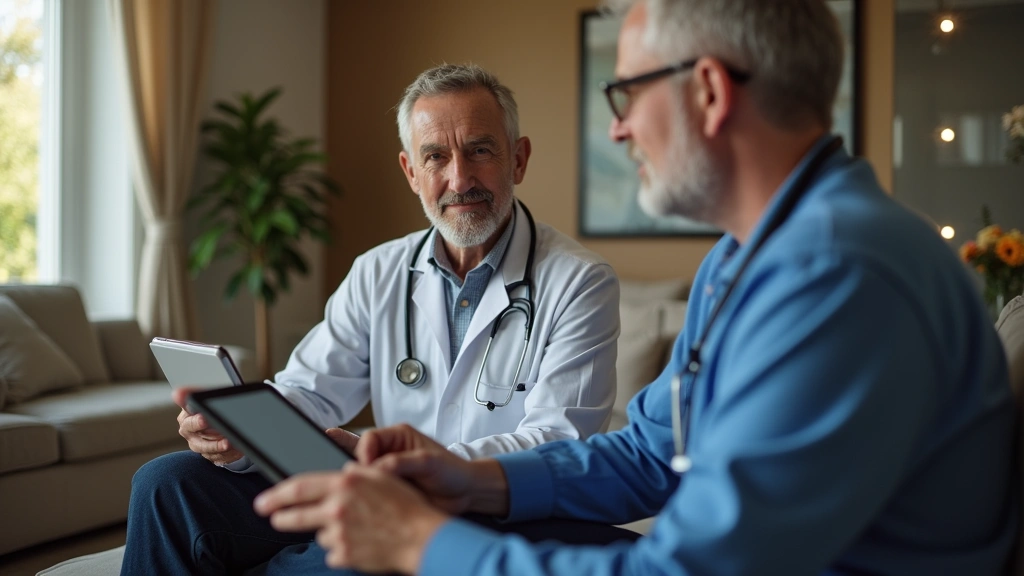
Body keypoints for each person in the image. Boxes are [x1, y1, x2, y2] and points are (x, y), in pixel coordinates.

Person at [252, 1, 1019, 575]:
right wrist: (470, 480)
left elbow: (688, 570)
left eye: (626, 95)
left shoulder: (837, 275)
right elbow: (650, 453)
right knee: (183, 490)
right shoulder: (746, 257)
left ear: (710, 93)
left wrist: (421, 542)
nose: (617, 131)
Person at [119, 64, 621, 574]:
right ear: (410, 171)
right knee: (165, 485)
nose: (459, 178)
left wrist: (404, 467)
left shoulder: (579, 280)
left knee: (326, 562)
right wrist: (239, 433)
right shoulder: (378, 270)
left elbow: (559, 442)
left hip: (491, 510)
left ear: (519, 159)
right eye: (436, 157)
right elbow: (309, 391)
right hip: (375, 489)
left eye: (480, 150)